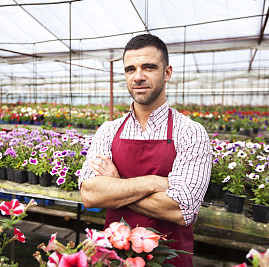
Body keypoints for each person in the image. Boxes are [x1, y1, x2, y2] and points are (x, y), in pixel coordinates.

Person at [78, 34, 212, 267]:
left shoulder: (190, 132)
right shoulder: (108, 130)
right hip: (115, 256)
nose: (138, 77)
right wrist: (153, 182)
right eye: (130, 69)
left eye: (148, 67)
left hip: (169, 258)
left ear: (167, 73)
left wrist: (116, 185)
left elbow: (181, 210)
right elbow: (90, 195)